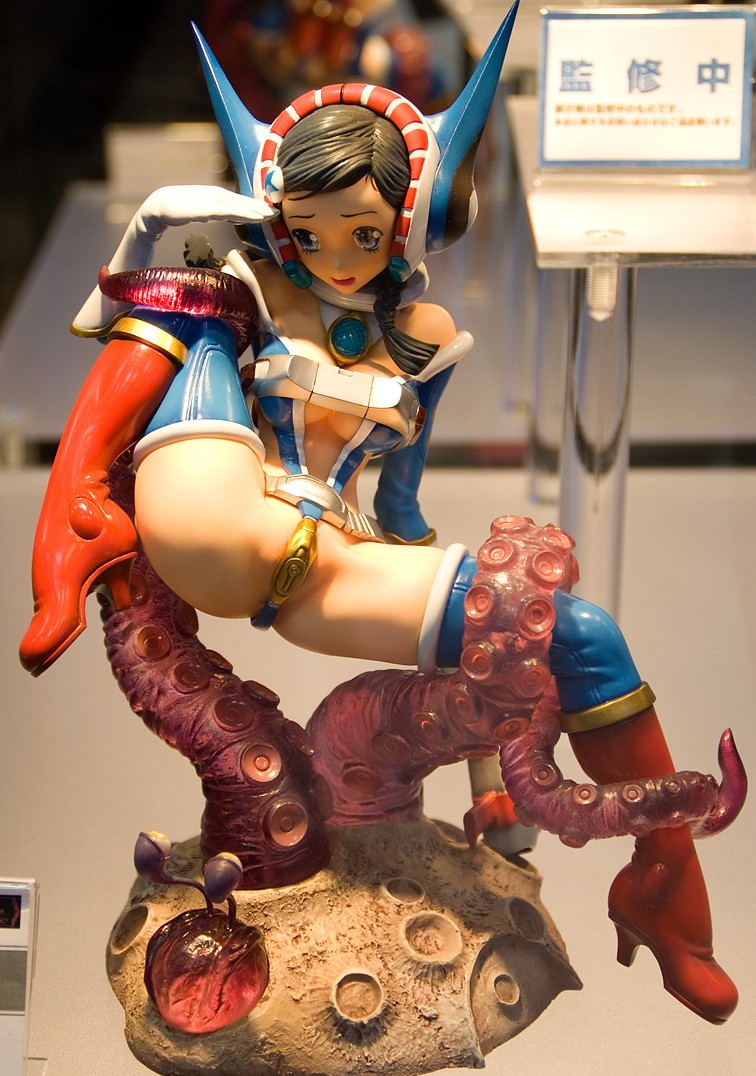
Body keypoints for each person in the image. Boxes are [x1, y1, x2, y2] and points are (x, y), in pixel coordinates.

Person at [19, 4, 740, 1023]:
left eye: (364, 232)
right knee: (188, 309)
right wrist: (149, 240)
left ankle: (667, 891)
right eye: (311, 232)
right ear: (280, 218)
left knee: (580, 634)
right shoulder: (243, 294)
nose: (338, 256)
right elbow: (127, 339)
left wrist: (493, 755)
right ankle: (72, 529)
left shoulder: (427, 339)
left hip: (330, 565)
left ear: (409, 220)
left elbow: (400, 507)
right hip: (234, 521)